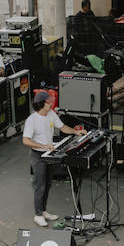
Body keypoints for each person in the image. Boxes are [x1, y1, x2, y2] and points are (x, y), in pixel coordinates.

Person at [22, 92, 84, 227]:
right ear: (41, 103)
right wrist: (42, 146)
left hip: (49, 154)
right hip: (38, 155)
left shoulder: (51, 115)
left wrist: (75, 132)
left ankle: (43, 211)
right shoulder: (32, 120)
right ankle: (38, 215)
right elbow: (25, 140)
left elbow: (62, 127)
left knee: (48, 184)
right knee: (40, 186)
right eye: (49, 102)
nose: (51, 104)